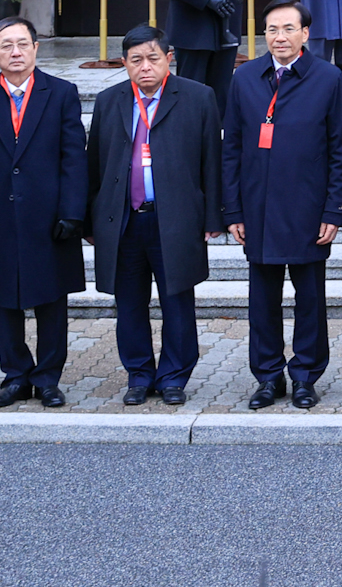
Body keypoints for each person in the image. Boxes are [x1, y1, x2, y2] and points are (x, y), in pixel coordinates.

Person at [222, 0, 342, 410]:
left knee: (310, 298)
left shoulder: (328, 78)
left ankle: (305, 376)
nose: (280, 37)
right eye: (272, 29)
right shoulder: (244, 78)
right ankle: (267, 375)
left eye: (288, 29)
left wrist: (334, 210)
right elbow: (233, 149)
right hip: (257, 208)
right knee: (262, 300)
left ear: (305, 34)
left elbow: (339, 150)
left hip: (308, 209)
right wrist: (233, 210)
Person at [86, 25, 224, 406]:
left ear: (169, 58)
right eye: (136, 60)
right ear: (124, 64)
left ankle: (174, 376)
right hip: (124, 219)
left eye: (152, 58)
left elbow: (212, 161)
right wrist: (90, 220)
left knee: (177, 301)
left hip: (175, 219)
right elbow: (94, 163)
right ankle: (139, 374)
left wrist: (214, 217)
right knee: (129, 303)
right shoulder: (110, 101)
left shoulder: (198, 97)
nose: (144, 67)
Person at [0, 17, 87, 409]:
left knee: (52, 300)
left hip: (48, 217)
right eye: (6, 45)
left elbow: (73, 157)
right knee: (5, 301)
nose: (16, 52)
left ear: (36, 48)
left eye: (23, 44)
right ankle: (15, 376)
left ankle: (48, 377)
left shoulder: (61, 92)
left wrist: (72, 212)